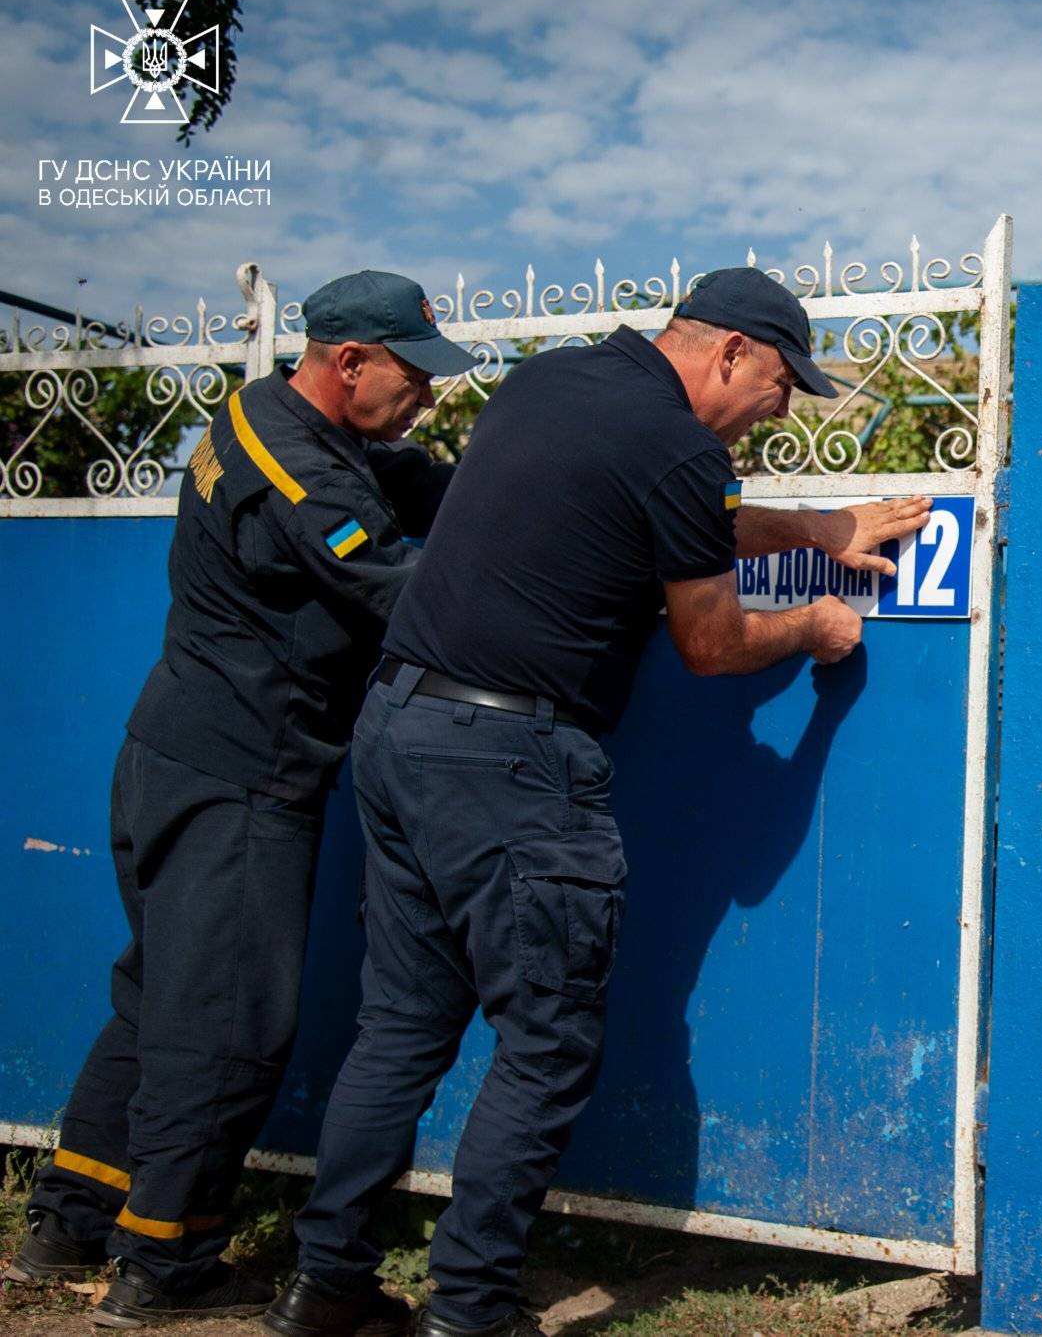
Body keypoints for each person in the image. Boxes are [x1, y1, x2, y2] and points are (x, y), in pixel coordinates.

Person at [261, 268, 930, 1337]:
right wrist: (813, 630)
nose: (782, 405)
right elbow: (710, 642)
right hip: (510, 760)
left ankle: (324, 1283)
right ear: (727, 356)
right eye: (779, 381)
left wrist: (817, 523)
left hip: (398, 728)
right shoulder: (679, 449)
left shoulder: (551, 384)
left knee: (398, 1028)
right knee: (546, 1041)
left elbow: (670, 518)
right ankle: (471, 1307)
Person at [2, 272, 479, 1327]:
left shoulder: (277, 418)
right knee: (224, 1024)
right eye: (413, 376)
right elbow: (396, 588)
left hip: (183, 754)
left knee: (160, 995)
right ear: (348, 362)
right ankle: (165, 1262)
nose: (427, 398)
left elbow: (415, 476)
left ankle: (72, 1215)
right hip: (238, 776)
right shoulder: (301, 470)